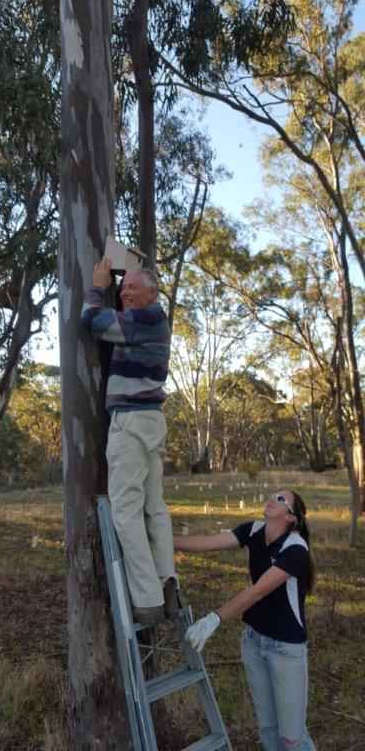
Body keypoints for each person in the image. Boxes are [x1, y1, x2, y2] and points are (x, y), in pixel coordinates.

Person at [174, 489, 316, 751]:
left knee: (291, 737)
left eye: (282, 499)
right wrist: (164, 542)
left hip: (285, 650)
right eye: (274, 494)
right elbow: (208, 543)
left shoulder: (296, 548)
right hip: (253, 642)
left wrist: (214, 619)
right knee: (268, 730)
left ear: (291, 518)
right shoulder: (253, 530)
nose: (273, 498)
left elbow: (258, 591)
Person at [81, 256, 177, 626]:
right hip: (150, 419)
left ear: (153, 293)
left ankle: (148, 600)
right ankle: (167, 583)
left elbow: (90, 321)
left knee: (125, 511)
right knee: (153, 505)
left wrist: (97, 287)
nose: (125, 293)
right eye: (122, 288)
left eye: (132, 287)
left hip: (132, 422)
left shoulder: (148, 318)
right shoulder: (149, 321)